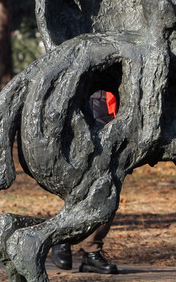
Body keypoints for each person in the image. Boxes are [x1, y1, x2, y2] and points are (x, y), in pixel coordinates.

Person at [51, 89, 120, 274]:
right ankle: (62, 237)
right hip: (89, 100)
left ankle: (91, 252)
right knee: (83, 185)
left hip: (115, 100)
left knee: (109, 189)